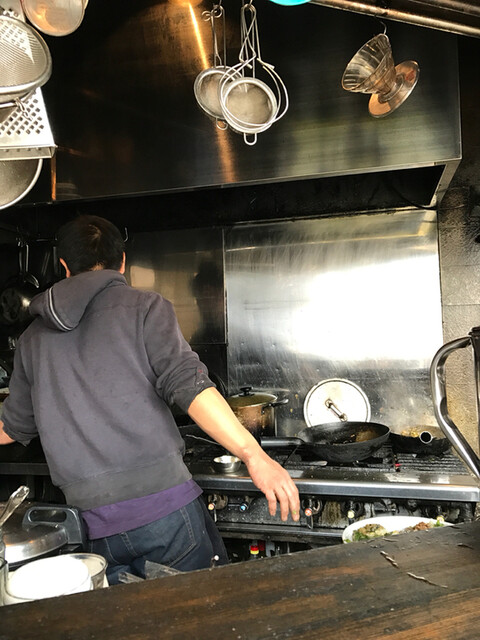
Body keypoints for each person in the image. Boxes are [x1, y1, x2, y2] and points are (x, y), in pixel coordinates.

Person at [0, 215, 300, 584]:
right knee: (198, 610)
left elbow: (9, 428)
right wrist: (254, 455)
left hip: (91, 529)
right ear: (122, 262)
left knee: (123, 617)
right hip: (165, 515)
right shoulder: (145, 307)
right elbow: (189, 386)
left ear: (63, 266)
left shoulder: (31, 339)